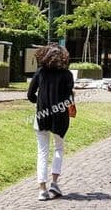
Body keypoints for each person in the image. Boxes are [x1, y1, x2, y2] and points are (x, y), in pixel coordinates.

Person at [28, 44, 74, 201]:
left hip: (41, 116)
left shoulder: (41, 72)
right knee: (59, 149)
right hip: (60, 118)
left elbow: (30, 94)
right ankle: (54, 182)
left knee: (42, 152)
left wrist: (38, 102)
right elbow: (69, 98)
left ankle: (42, 189)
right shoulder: (67, 75)